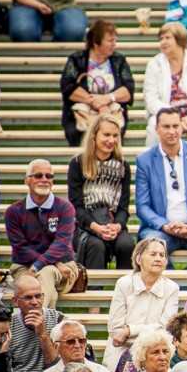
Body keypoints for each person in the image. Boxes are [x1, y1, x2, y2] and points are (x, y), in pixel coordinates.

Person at [135, 107, 187, 268]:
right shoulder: (145, 161)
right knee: (149, 253)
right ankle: (172, 288)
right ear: (156, 129)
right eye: (166, 127)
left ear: (182, 126)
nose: (172, 131)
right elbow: (142, 206)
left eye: (176, 126)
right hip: (160, 229)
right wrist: (165, 225)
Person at [3, 159, 78, 309]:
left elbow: (61, 244)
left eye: (49, 176)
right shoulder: (13, 212)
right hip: (26, 266)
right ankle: (42, 327)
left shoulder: (65, 207)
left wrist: (37, 266)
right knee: (46, 285)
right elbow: (21, 248)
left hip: (64, 267)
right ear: (27, 180)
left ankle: (33, 324)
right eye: (38, 175)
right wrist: (45, 264)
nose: (44, 179)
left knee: (46, 273)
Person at [103, 238, 180, 372]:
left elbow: (165, 328)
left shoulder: (172, 288)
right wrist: (131, 335)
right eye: (153, 254)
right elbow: (115, 330)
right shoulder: (124, 284)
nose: (158, 259)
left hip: (156, 350)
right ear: (138, 259)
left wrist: (129, 330)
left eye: (162, 255)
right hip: (122, 350)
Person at [67, 114, 135, 270]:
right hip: (86, 225)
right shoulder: (77, 163)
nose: (111, 140)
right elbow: (76, 206)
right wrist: (96, 227)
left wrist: (117, 226)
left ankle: (125, 291)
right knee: (96, 246)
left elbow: (123, 207)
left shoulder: (123, 166)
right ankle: (94, 292)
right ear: (94, 135)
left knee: (126, 245)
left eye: (115, 136)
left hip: (112, 222)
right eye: (106, 135)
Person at [58, 20, 134, 147]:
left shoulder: (119, 61)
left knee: (113, 132)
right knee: (76, 133)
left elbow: (128, 88)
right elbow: (68, 87)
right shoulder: (76, 60)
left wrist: (108, 98)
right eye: (110, 41)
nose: (114, 44)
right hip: (82, 114)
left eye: (115, 40)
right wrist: (95, 102)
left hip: (111, 112)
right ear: (96, 42)